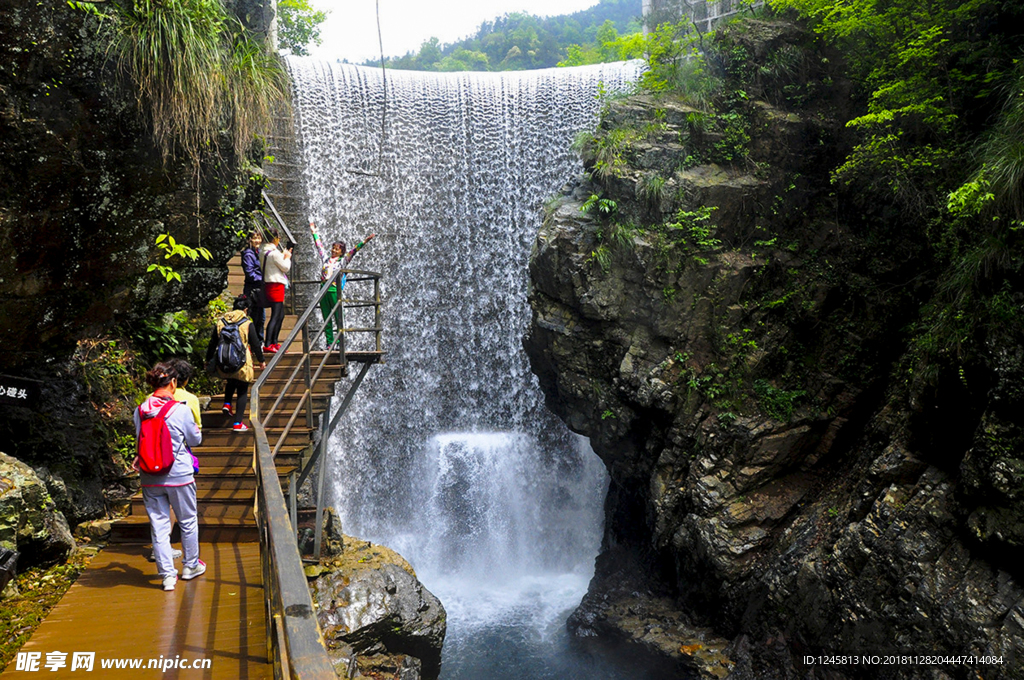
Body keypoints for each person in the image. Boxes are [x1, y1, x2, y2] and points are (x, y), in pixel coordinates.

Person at [135, 361, 204, 591]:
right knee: (187, 521)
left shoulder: (141, 410)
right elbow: (195, 440)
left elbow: (139, 440)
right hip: (179, 474)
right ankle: (190, 565)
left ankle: (166, 576)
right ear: (173, 383)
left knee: (159, 525)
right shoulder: (181, 409)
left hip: (149, 475)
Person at [309, 220, 375, 347]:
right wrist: (314, 232)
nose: (334, 250)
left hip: (334, 289)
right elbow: (319, 246)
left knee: (338, 316)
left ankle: (339, 341)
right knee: (326, 316)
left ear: (341, 251)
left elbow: (354, 251)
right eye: (333, 248)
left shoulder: (343, 261)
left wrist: (365, 241)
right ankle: (329, 342)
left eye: (337, 249)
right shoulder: (326, 259)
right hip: (323, 289)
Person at [206, 294, 266, 431]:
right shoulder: (246, 323)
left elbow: (212, 343)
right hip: (242, 362)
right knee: (242, 389)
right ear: (246, 309)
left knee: (231, 381)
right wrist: (261, 361)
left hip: (223, 361)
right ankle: (238, 423)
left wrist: (208, 359)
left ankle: (227, 403)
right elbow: (256, 344)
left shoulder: (221, 322)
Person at [167, 358, 201, 474]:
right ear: (186, 380)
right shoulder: (191, 399)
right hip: (180, 454)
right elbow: (196, 431)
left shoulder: (149, 399)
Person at [260, 231, 291, 353]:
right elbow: (285, 267)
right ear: (274, 239)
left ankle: (274, 342)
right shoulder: (274, 253)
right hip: (276, 285)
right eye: (278, 237)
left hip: (269, 284)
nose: (279, 240)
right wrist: (287, 257)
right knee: (276, 315)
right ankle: (269, 343)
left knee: (281, 315)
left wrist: (282, 255)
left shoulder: (264, 251)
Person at [240, 230, 266, 348]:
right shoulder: (248, 254)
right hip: (252, 290)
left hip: (260, 289)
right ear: (249, 240)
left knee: (261, 318)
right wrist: (264, 279)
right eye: (254, 238)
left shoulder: (258, 252)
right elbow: (250, 273)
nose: (257, 241)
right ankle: (254, 343)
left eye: (259, 238)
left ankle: (259, 342)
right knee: (255, 317)